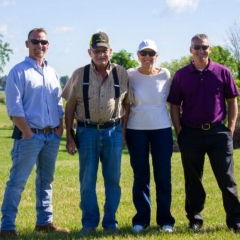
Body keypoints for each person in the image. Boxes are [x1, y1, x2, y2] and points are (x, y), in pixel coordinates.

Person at [0, 28, 69, 239]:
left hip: (51, 136)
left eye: (43, 42)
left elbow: (58, 102)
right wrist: (28, 133)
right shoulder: (18, 71)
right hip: (29, 136)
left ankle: (44, 222)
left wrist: (60, 128)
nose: (40, 45)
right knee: (17, 181)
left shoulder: (52, 72)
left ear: (48, 45)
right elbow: (14, 108)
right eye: (35, 42)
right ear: (27, 44)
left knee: (46, 180)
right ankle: (7, 227)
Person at [167, 33, 240, 232]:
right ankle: (195, 219)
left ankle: (235, 220)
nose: (201, 50)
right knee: (193, 180)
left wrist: (230, 129)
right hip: (190, 133)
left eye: (204, 47)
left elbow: (232, 101)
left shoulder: (223, 72)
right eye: (196, 47)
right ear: (190, 50)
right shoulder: (181, 75)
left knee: (227, 179)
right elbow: (174, 104)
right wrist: (179, 131)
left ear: (210, 49)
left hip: (218, 133)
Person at [62, 31, 130, 236]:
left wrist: (123, 134)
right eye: (96, 50)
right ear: (89, 52)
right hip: (87, 131)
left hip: (113, 131)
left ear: (110, 51)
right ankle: (89, 223)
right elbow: (70, 106)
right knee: (87, 181)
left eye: (104, 50)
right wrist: (70, 136)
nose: (101, 54)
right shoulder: (79, 74)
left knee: (113, 181)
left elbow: (127, 105)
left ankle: (111, 223)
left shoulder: (122, 73)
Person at [126, 39, 175, 233]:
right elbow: (125, 105)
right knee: (141, 176)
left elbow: (171, 103)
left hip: (162, 129)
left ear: (157, 56)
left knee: (163, 176)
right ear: (138, 56)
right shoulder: (130, 75)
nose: (147, 57)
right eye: (143, 53)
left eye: (151, 53)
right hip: (136, 130)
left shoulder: (165, 74)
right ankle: (141, 219)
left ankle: (165, 220)